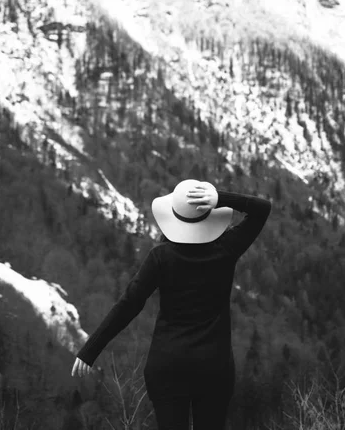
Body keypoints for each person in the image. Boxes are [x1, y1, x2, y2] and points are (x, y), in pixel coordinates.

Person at [71, 178, 272, 429]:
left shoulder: (161, 257)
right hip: (213, 367)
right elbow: (262, 208)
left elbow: (129, 304)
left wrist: (91, 350)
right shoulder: (227, 250)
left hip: (168, 366)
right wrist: (219, 197)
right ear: (210, 219)